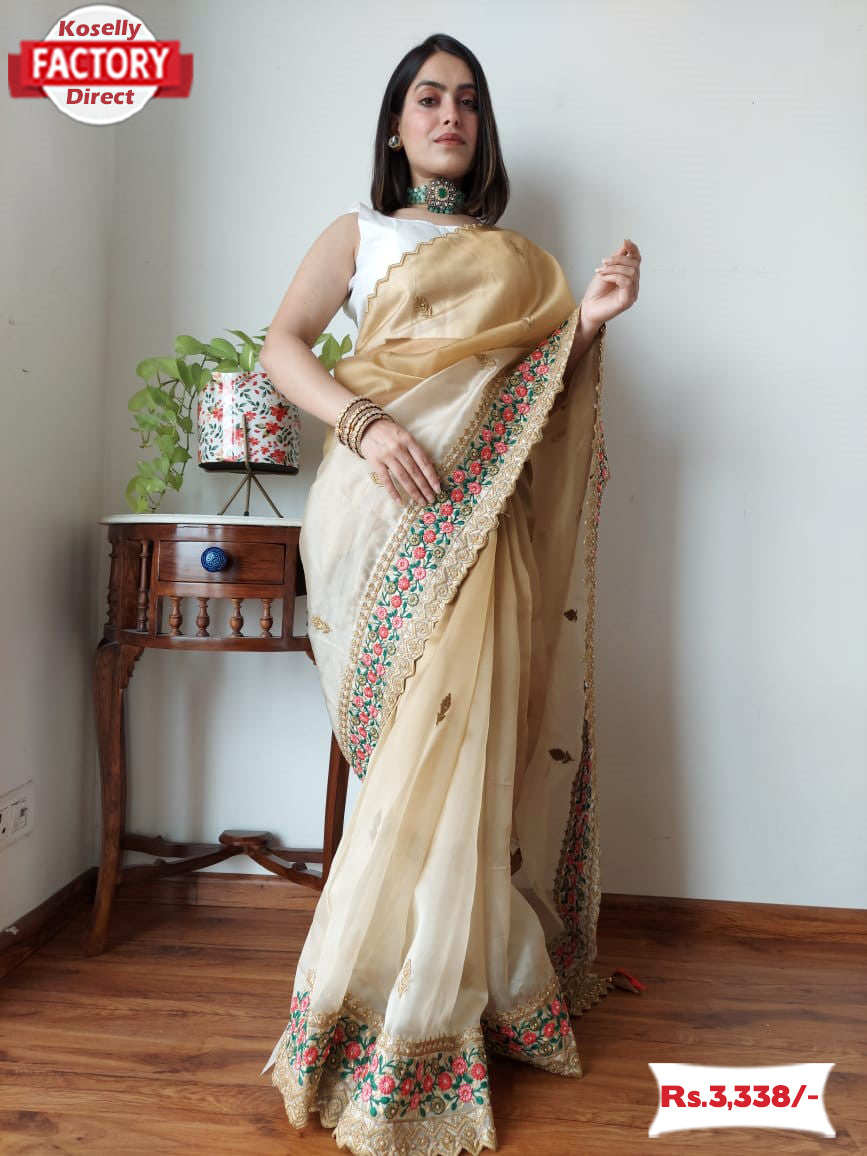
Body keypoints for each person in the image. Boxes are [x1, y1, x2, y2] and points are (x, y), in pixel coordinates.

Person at [257, 32, 641, 1156]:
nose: (449, 115)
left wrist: (587, 321)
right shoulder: (358, 233)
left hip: (480, 521)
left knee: (463, 751)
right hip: (375, 510)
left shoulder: (519, 264)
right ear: (396, 123)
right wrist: (364, 422)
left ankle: (444, 996)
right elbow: (283, 345)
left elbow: (536, 406)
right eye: (428, 97)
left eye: (467, 100)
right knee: (401, 754)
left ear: (483, 127)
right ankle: (380, 997)